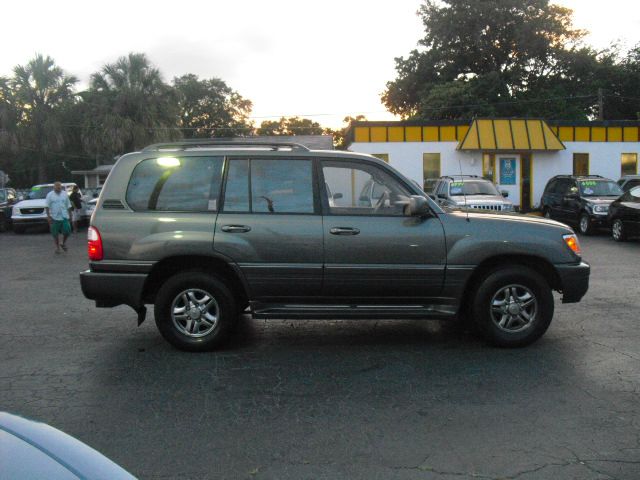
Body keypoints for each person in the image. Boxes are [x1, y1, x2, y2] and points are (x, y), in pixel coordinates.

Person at [45, 182, 72, 254]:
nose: (58, 189)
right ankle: (57, 248)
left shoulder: (64, 194)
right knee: (55, 234)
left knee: (67, 231)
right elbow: (47, 206)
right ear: (54, 188)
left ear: (61, 188)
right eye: (57, 188)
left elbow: (68, 205)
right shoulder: (50, 195)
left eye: (59, 188)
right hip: (54, 217)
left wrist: (70, 215)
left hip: (64, 216)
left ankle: (63, 243)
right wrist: (48, 216)